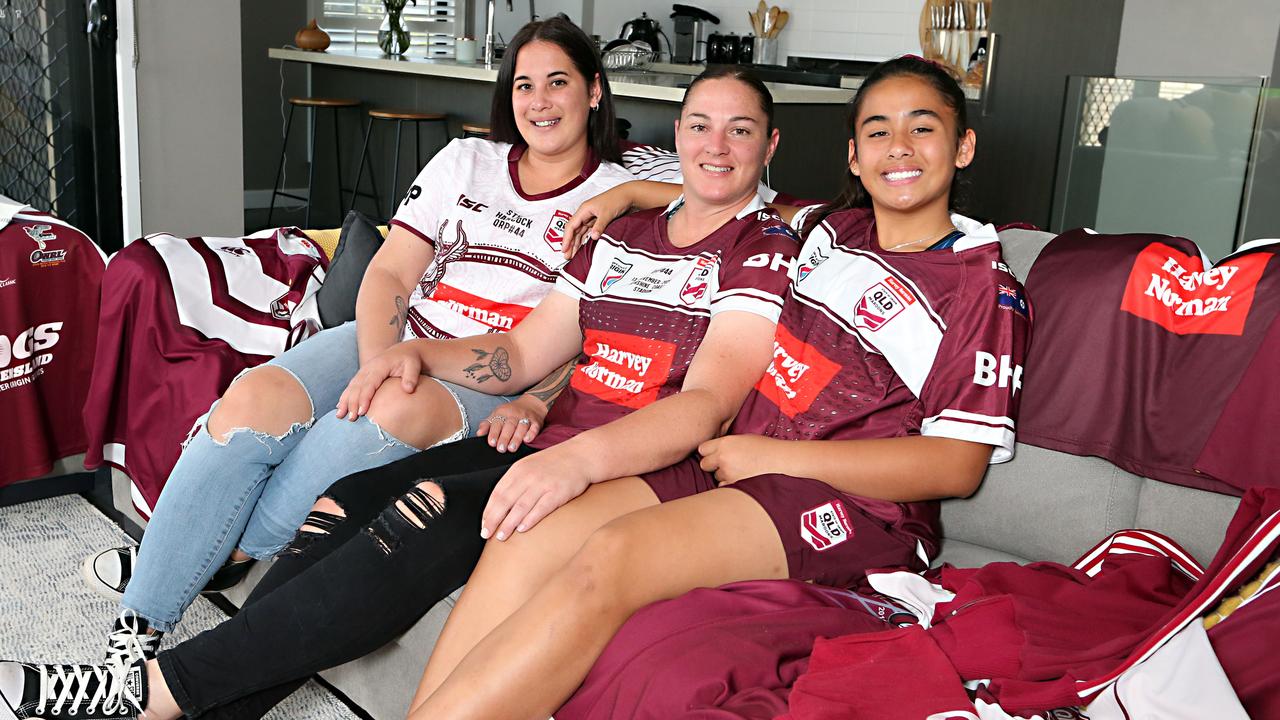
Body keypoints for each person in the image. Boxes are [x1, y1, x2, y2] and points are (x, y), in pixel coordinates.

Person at [0, 65, 798, 720]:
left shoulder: (769, 246)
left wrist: (569, 449)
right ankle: (171, 682)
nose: (715, 145)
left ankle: (150, 693)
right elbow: (522, 350)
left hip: (610, 454)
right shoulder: (617, 237)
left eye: (739, 130)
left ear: (771, 143)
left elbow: (709, 394)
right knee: (337, 504)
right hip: (519, 407)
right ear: (677, 134)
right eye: (698, 125)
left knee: (401, 512)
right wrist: (407, 351)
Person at [397, 54, 1031, 719]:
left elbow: (958, 466)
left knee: (616, 556)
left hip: (854, 506)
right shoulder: (827, 231)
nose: (898, 147)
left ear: (963, 146)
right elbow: (725, 187)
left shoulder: (983, 288)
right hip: (740, 469)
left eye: (921, 128)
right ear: (852, 155)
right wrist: (625, 195)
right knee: (526, 529)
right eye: (878, 131)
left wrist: (776, 458)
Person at [73, 12, 637, 669]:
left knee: (373, 417)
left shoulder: (616, 203)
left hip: (481, 376)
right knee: (253, 397)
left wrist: (528, 395)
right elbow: (392, 269)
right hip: (400, 339)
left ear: (595, 90)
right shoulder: (467, 160)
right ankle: (130, 643)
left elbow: (593, 324)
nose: (537, 102)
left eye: (558, 82)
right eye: (523, 84)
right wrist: (378, 361)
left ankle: (187, 557)